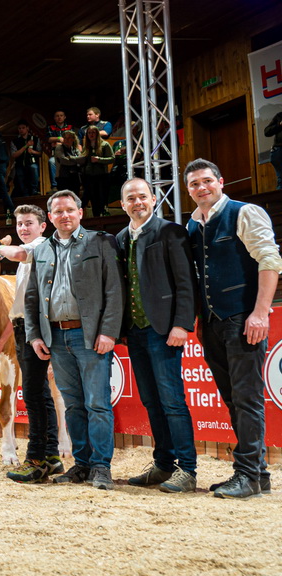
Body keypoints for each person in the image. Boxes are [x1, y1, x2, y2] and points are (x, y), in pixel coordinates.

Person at [184, 158, 281, 499]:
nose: (201, 188)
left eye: (206, 180)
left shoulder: (244, 212)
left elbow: (270, 260)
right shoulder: (193, 225)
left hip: (243, 318)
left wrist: (260, 312)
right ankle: (258, 473)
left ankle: (248, 475)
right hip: (211, 323)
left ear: (220, 181)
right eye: (194, 184)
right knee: (232, 398)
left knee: (247, 398)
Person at [24, 190, 123, 491]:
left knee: (97, 404)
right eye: (58, 211)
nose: (64, 215)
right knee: (73, 406)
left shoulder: (101, 242)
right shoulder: (40, 251)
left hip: (90, 336)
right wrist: (34, 334)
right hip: (55, 336)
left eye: (70, 210)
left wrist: (108, 331)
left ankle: (101, 467)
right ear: (50, 217)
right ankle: (81, 464)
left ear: (80, 213)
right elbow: (31, 297)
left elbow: (114, 291)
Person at [114, 178, 198, 494]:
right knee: (151, 400)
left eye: (142, 196)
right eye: (130, 198)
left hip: (164, 330)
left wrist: (182, 324)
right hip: (134, 332)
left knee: (172, 400)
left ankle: (187, 469)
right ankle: (164, 464)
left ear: (153, 198)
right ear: (123, 204)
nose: (137, 202)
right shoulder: (120, 238)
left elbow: (185, 282)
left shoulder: (170, 232)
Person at [0, 205, 62, 483]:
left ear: (42, 226)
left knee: (34, 395)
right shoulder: (29, 252)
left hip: (36, 329)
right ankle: (51, 456)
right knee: (40, 394)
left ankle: (35, 457)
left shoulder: (39, 247)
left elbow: (18, 253)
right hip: (24, 327)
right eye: (20, 224)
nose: (23, 228)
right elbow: (18, 306)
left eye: (29, 223)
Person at [79, 125, 114, 218]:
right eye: (89, 133)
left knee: (100, 198)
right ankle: (94, 218)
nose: (91, 135)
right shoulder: (86, 145)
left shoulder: (104, 144)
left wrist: (99, 159)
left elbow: (112, 158)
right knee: (90, 197)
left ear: (97, 134)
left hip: (101, 176)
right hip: (88, 176)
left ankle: (99, 218)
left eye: (93, 132)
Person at [10, 121, 41, 198]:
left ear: (27, 128)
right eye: (19, 128)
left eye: (23, 128)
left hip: (31, 162)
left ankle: (34, 191)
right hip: (20, 164)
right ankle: (25, 195)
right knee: (20, 178)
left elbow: (40, 153)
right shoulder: (15, 141)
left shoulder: (35, 139)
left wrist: (33, 151)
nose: (21, 130)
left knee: (34, 168)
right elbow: (14, 155)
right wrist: (26, 145)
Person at [47, 111, 74, 191]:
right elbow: (49, 139)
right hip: (56, 154)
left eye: (61, 115)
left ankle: (73, 185)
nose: (59, 117)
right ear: (54, 118)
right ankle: (54, 186)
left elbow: (72, 140)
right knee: (51, 162)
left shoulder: (69, 127)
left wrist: (59, 142)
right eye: (57, 116)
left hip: (68, 153)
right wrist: (60, 138)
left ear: (64, 117)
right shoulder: (50, 127)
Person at [53, 130, 83, 196]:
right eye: (65, 138)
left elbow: (81, 160)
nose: (66, 140)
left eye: (69, 138)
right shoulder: (59, 148)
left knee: (75, 197)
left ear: (73, 139)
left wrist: (70, 158)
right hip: (63, 177)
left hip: (75, 177)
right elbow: (64, 160)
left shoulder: (75, 149)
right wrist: (76, 161)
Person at [266, 112, 282, 190]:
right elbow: (267, 131)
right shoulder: (279, 116)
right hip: (279, 151)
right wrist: (279, 125)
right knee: (281, 179)